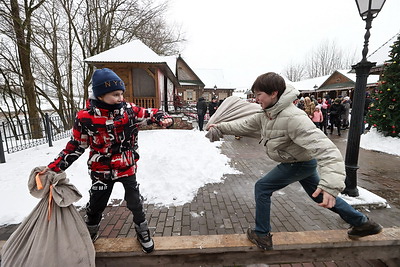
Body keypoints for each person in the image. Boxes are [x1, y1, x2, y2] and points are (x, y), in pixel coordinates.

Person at [206, 72, 382, 251]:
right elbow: (243, 125)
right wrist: (219, 127)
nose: (256, 99)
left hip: (299, 164)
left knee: (262, 187)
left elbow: (326, 150)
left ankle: (262, 234)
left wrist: (331, 185)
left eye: (259, 95)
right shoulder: (267, 114)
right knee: (319, 196)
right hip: (300, 162)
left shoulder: (294, 118)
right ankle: (363, 224)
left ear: (273, 93)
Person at [41, 68, 173, 253]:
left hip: (126, 166)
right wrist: (53, 168)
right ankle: (91, 230)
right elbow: (76, 145)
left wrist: (163, 117)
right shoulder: (85, 118)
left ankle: (142, 229)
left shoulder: (128, 111)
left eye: (121, 94)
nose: (121, 98)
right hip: (100, 169)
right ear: (101, 95)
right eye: (115, 94)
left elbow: (151, 113)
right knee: (96, 204)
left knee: (134, 202)